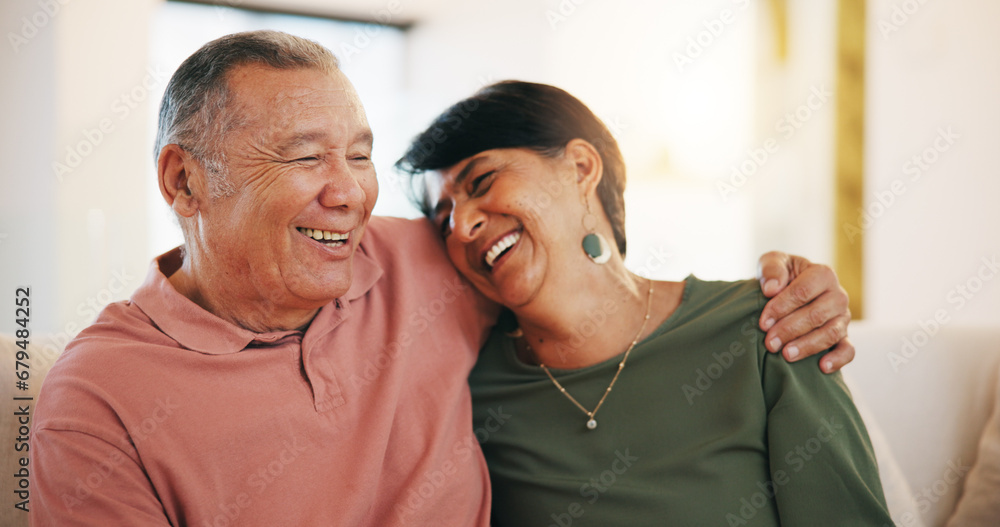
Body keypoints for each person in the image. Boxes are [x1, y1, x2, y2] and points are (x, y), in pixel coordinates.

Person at [31, 32, 853, 526]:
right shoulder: (99, 398)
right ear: (183, 182)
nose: (349, 193)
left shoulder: (420, 262)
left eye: (359, 154)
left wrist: (797, 287)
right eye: (305, 155)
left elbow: (577, 285)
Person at [396, 80, 893, 525]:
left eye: (482, 182)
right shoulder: (467, 390)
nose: (462, 227)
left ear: (581, 167)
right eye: (443, 220)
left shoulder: (769, 324)